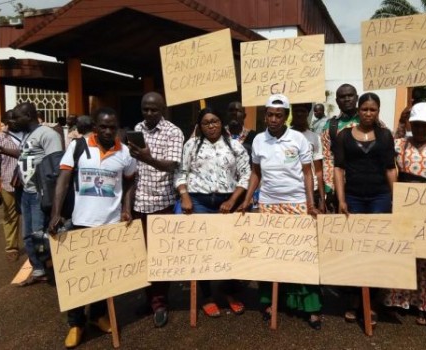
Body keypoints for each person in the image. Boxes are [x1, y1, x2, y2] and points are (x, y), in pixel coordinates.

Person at [48, 107, 136, 348]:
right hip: (81, 222)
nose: (108, 131)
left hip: (111, 224)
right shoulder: (78, 147)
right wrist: (56, 213)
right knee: (78, 276)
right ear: (95, 127)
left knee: (103, 276)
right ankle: (76, 324)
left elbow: (131, 181)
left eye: (113, 126)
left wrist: (127, 208)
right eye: (103, 126)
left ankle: (98, 316)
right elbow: (63, 181)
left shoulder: (125, 152)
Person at [237, 94, 322, 330]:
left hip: (296, 203)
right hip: (268, 203)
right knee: (270, 253)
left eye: (278, 115)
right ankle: (270, 302)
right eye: (270, 114)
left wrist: (311, 203)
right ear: (265, 115)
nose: (273, 119)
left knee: (302, 254)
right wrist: (247, 200)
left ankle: (311, 307)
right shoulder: (258, 141)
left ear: (286, 117)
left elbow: (308, 173)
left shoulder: (298, 139)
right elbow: (256, 173)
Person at [176, 107, 251, 317]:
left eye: (215, 121)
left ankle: (228, 292)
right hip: (198, 202)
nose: (211, 126)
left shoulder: (235, 146)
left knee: (229, 250)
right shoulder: (191, 145)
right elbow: (181, 172)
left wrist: (232, 200)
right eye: (206, 123)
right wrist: (185, 196)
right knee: (202, 251)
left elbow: (246, 174)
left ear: (221, 123)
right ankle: (207, 296)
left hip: (227, 202)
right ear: (200, 127)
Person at [334, 92, 397, 324]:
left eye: (373, 110)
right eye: (364, 109)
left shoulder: (385, 136)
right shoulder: (344, 136)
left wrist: (397, 197)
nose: (368, 114)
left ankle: (371, 300)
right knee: (356, 248)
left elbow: (390, 169)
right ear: (358, 110)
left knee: (376, 248)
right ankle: (355, 299)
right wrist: (341, 199)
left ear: (378, 111)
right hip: (354, 198)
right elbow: (338, 170)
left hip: (380, 197)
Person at [0, 102, 63, 285]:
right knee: (28, 235)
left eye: (16, 117)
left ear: (29, 116)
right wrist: (2, 150)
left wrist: (52, 198)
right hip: (26, 193)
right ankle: (38, 270)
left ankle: (53, 267)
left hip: (39, 193)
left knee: (40, 234)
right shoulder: (28, 135)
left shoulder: (48, 134)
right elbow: (25, 155)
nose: (12, 121)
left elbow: (55, 166)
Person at [128, 91, 184, 328]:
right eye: (145, 109)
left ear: (163, 110)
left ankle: (160, 303)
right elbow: (134, 167)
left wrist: (148, 158)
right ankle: (150, 298)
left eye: (154, 109)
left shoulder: (173, 132)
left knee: (160, 256)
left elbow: (172, 165)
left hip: (163, 203)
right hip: (139, 202)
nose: (149, 113)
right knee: (142, 257)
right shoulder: (137, 128)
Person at [383, 102, 426, 325]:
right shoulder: (400, 144)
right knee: (403, 253)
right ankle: (398, 299)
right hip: (404, 204)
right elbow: (385, 143)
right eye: (416, 125)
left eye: (424, 125)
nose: (419, 130)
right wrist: (400, 122)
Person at [0, 110, 23, 261]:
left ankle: (36, 246)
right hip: (9, 184)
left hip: (30, 184)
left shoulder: (30, 135)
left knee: (32, 216)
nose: (14, 122)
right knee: (10, 216)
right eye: (11, 120)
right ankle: (12, 247)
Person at [321, 84, 360, 212]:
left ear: (357, 98)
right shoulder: (331, 126)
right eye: (343, 97)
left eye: (350, 95)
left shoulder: (370, 121)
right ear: (337, 101)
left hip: (368, 187)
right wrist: (329, 188)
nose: (347, 99)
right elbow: (327, 158)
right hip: (340, 187)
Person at [291, 102, 325, 213]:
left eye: (303, 111)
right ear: (292, 113)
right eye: (297, 111)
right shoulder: (284, 135)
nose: (300, 114)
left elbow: (319, 171)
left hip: (311, 192)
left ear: (308, 114)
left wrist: (322, 199)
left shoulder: (315, 137)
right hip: (290, 192)